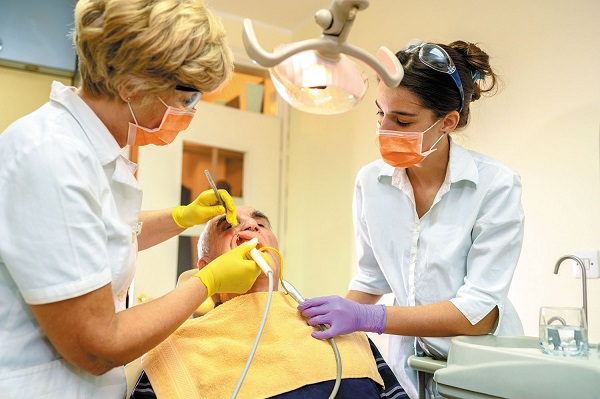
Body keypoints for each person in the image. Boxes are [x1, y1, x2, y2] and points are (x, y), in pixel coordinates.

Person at [0, 1, 263, 398]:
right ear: (132, 87)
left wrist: (182, 217)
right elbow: (96, 345)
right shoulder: (49, 155)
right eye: (188, 98)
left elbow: (96, 242)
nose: (190, 111)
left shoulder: (91, 152)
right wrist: (206, 283)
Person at [298, 39, 525, 399]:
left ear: (447, 122)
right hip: (411, 366)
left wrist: (369, 318)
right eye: (380, 113)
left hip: (484, 367)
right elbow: (372, 279)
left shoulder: (495, 185)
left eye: (402, 120)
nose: (384, 130)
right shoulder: (371, 182)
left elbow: (477, 315)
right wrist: (323, 323)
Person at [134, 206, 407, 399]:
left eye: (260, 224)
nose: (251, 226)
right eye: (229, 226)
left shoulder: (337, 328)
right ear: (207, 267)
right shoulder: (176, 350)